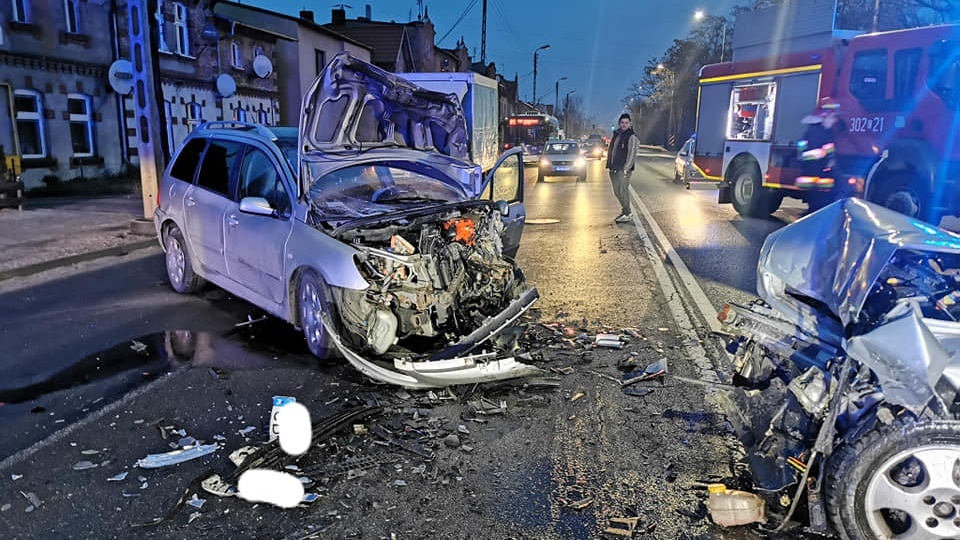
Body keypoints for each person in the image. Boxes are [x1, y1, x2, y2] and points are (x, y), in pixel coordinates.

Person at [606, 113, 640, 223]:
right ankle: (625, 210)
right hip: (614, 167)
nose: (624, 125)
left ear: (630, 123)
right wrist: (610, 164)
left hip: (623, 169)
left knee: (623, 190)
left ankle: (627, 212)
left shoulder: (631, 137)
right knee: (616, 191)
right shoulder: (617, 134)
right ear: (619, 123)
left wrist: (626, 168)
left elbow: (631, 154)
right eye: (622, 123)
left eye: (626, 123)